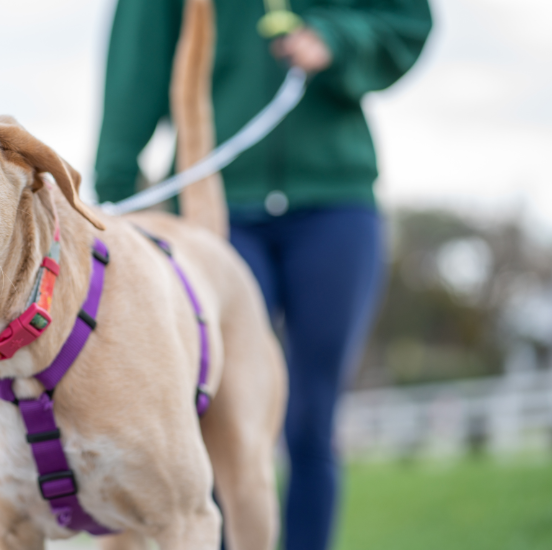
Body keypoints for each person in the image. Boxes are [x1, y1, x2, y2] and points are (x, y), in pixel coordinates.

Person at [94, 1, 432, 549]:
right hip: (209, 200)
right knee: (216, 418)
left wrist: (337, 37)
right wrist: (116, 193)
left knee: (312, 419)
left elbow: (407, 20)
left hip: (335, 202)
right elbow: (135, 67)